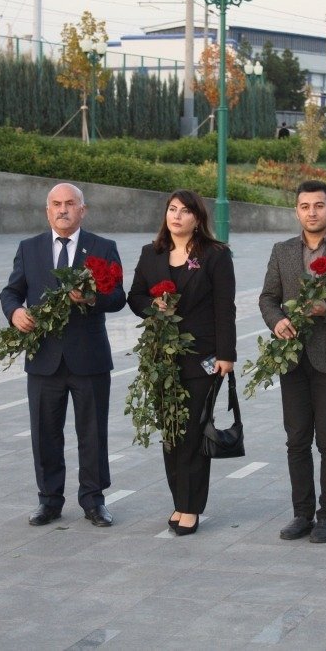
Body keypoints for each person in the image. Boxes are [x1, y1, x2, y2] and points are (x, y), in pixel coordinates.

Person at [0, 183, 126, 527]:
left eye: (70, 203)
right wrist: (14, 313)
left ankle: (94, 500)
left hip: (89, 359)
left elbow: (117, 297)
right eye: (56, 204)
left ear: (82, 210)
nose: (63, 209)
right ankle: (49, 500)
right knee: (45, 433)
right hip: (44, 359)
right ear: (47, 211)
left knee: (92, 432)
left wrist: (91, 299)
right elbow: (11, 292)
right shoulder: (29, 249)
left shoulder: (103, 247)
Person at [258, 179, 326, 543]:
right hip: (292, 359)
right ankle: (302, 514)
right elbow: (267, 299)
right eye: (305, 206)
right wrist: (278, 323)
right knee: (296, 439)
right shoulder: (282, 251)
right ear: (297, 211)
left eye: (318, 205)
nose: (312, 212)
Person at [127, 189, 237, 536]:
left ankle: (191, 507)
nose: (176, 216)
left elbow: (225, 307)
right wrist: (152, 307)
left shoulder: (215, 255)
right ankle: (180, 500)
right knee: (171, 433)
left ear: (198, 219)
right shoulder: (151, 254)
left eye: (185, 211)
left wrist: (226, 355)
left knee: (191, 432)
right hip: (162, 358)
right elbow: (135, 296)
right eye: (172, 209)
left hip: (203, 358)